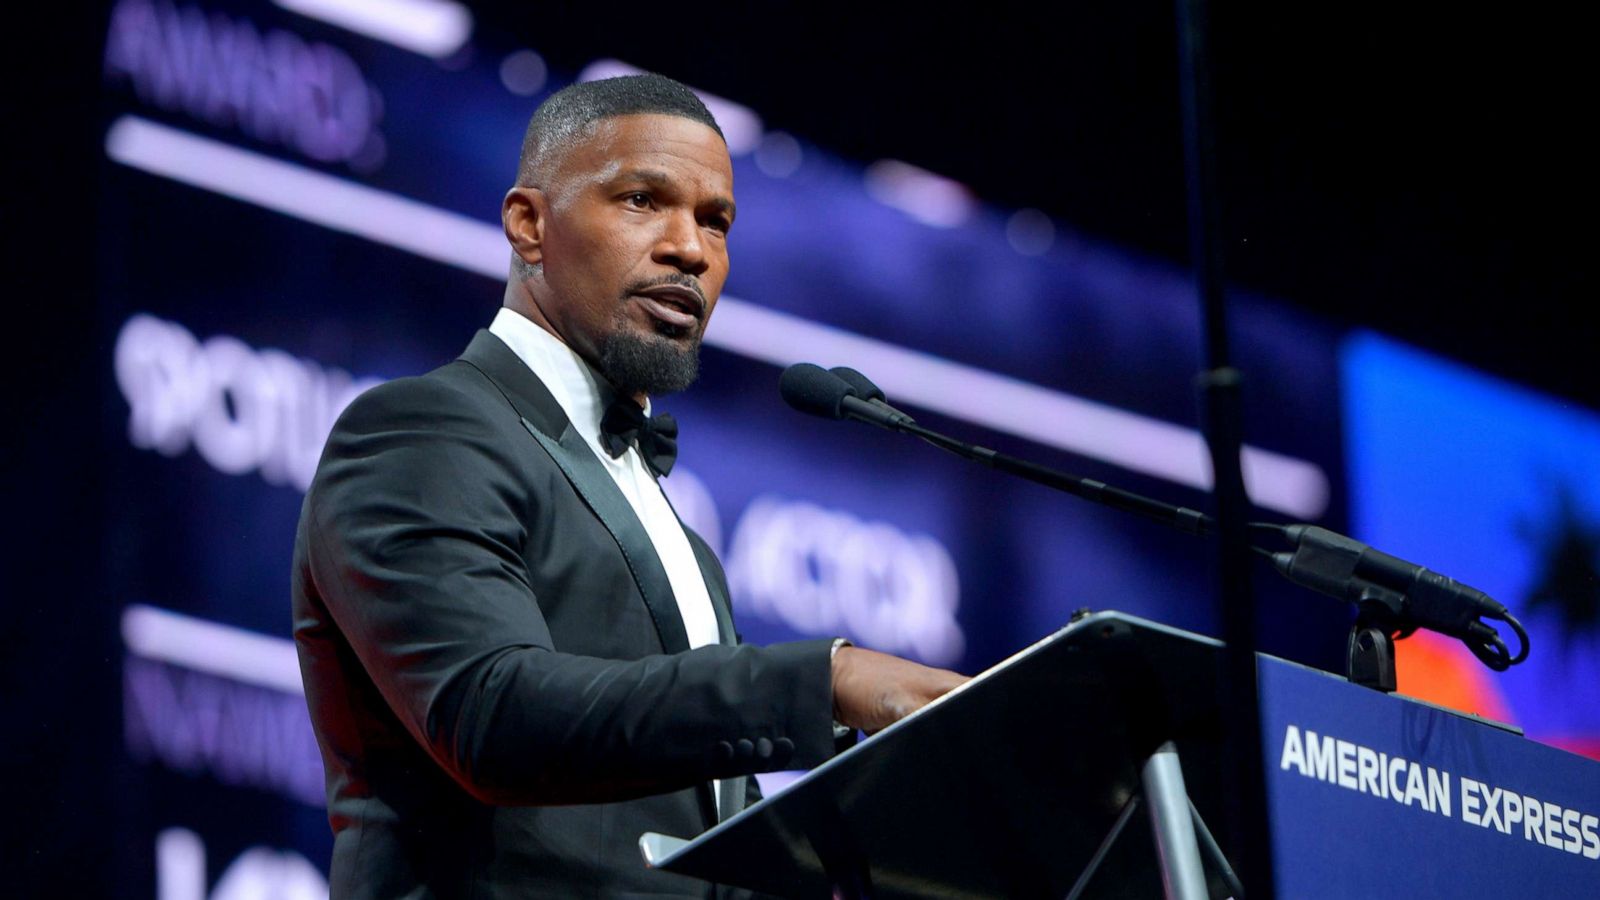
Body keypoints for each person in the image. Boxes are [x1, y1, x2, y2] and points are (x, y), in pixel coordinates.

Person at [291, 73, 966, 899]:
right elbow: (492, 716)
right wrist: (823, 681)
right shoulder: (423, 429)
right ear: (529, 226)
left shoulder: (682, 544)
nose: (692, 248)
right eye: (644, 200)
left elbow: (707, 839)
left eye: (715, 221)